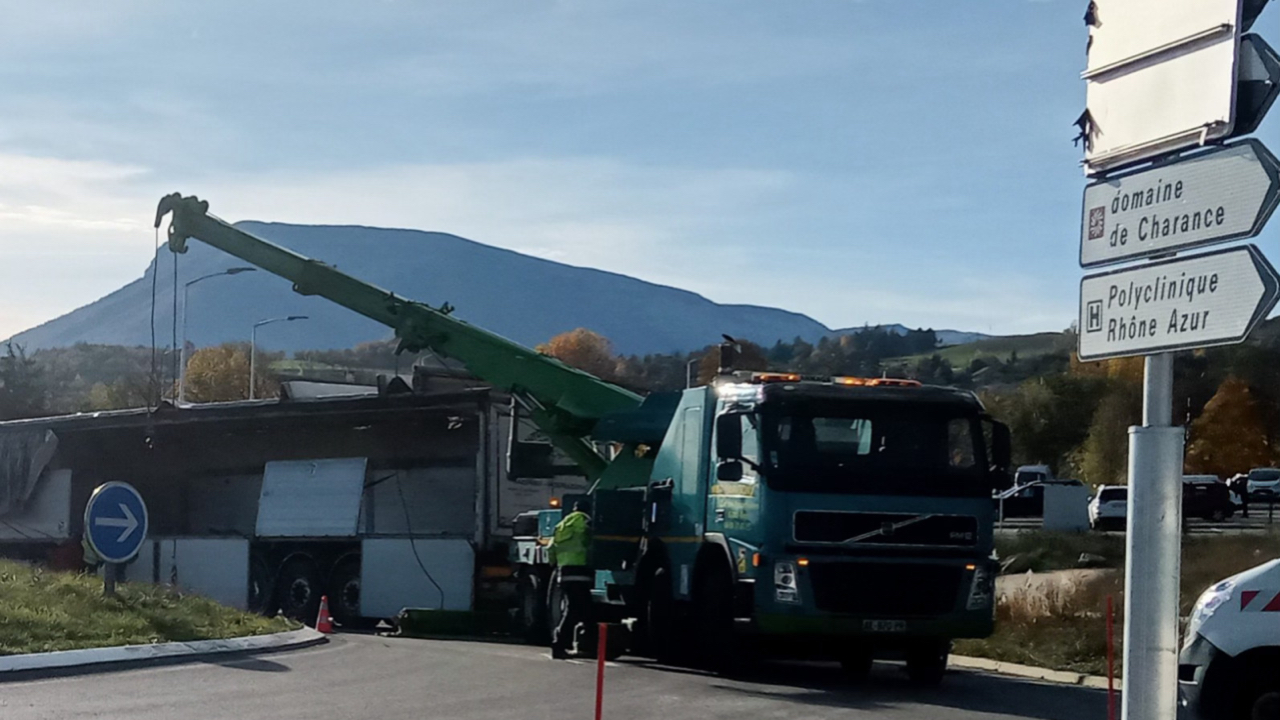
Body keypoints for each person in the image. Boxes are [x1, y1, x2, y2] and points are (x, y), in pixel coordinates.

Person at [548, 501, 592, 659]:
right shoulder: (584, 521)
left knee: (580, 608)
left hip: (564, 571)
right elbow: (589, 541)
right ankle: (559, 643)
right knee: (576, 609)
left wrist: (555, 563)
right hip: (580, 570)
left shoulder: (562, 525)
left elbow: (550, 548)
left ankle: (585, 642)